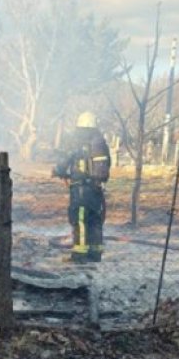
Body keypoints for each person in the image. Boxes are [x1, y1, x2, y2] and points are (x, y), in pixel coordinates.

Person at [53, 112, 111, 263]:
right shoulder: (100, 142)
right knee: (95, 220)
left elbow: (65, 160)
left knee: (80, 220)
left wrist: (58, 171)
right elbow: (107, 164)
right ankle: (95, 254)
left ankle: (80, 255)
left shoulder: (77, 142)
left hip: (81, 189)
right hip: (97, 188)